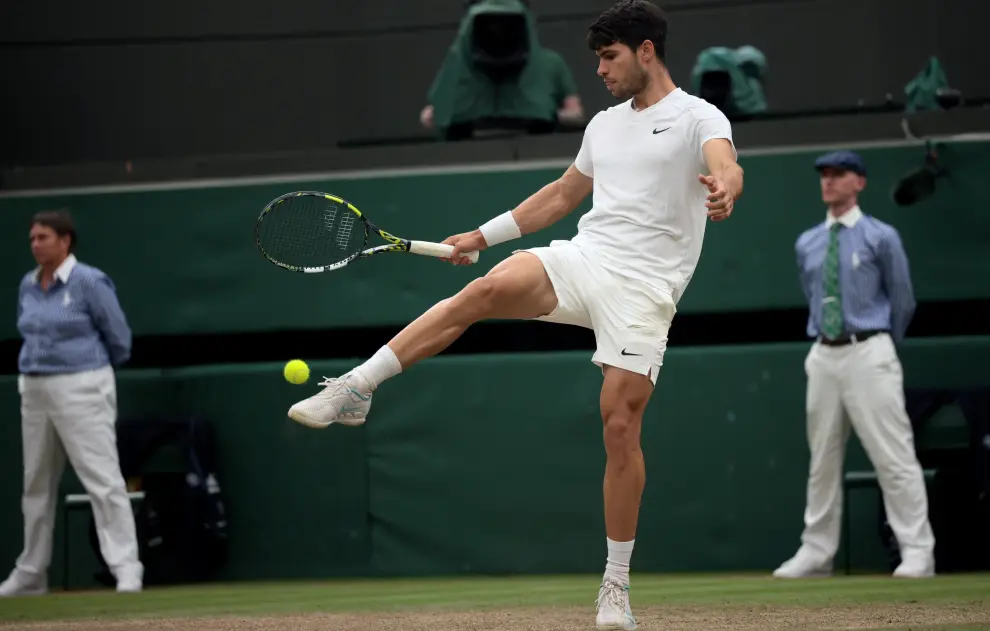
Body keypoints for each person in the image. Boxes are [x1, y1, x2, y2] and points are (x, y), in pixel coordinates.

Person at [292, 0, 742, 627]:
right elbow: (561, 196)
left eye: (610, 58)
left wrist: (724, 186)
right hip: (587, 258)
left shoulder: (699, 115)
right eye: (598, 60)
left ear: (646, 51)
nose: (601, 72)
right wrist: (481, 236)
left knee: (619, 426)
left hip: (646, 290)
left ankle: (615, 586)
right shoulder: (604, 126)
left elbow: (727, 163)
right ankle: (356, 387)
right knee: (483, 291)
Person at [773, 150, 935, 579]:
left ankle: (918, 551)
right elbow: (812, 295)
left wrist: (879, 343)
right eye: (824, 175)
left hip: (870, 350)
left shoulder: (881, 237)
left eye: (839, 174)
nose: (829, 181)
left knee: (893, 455)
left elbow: (903, 300)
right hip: (823, 354)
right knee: (822, 458)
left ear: (859, 182)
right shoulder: (806, 243)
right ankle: (816, 551)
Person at [0, 210, 143, 597]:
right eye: (32, 238)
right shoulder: (27, 285)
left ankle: (127, 568)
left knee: (102, 478)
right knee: (36, 482)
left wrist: (88, 372)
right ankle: (31, 572)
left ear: (65, 241)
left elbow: (118, 336)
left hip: (82, 384)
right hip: (34, 388)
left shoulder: (89, 281)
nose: (35, 244)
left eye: (43, 237)